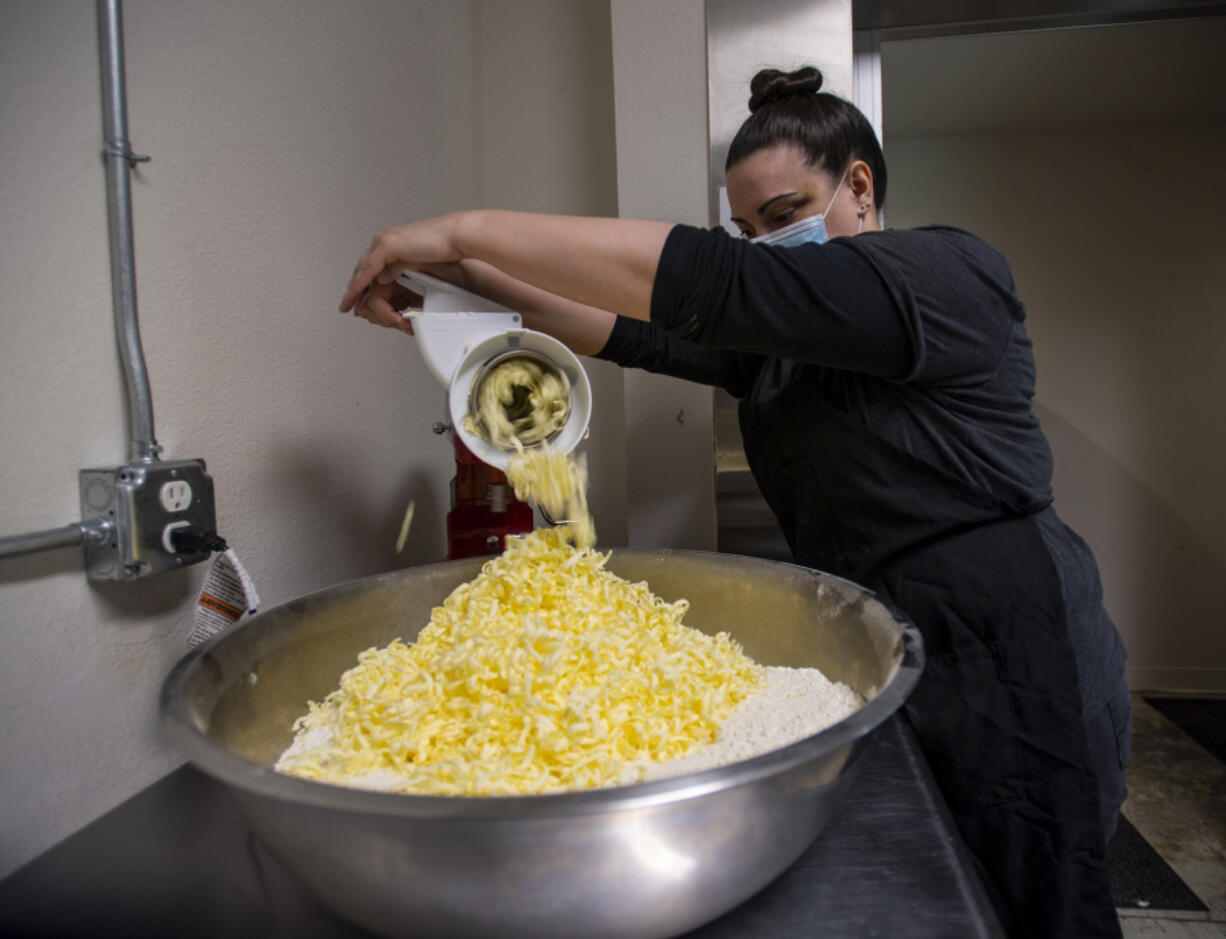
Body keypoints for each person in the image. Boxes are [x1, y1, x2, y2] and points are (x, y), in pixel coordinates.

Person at [339, 65, 1131, 938]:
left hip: (1006, 633)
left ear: (858, 186)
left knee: (1038, 889)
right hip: (885, 624)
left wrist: (459, 224)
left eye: (785, 215)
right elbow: (628, 332)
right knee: (930, 872)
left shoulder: (945, 273)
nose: (764, 244)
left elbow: (715, 283)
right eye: (748, 230)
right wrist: (464, 276)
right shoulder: (785, 348)